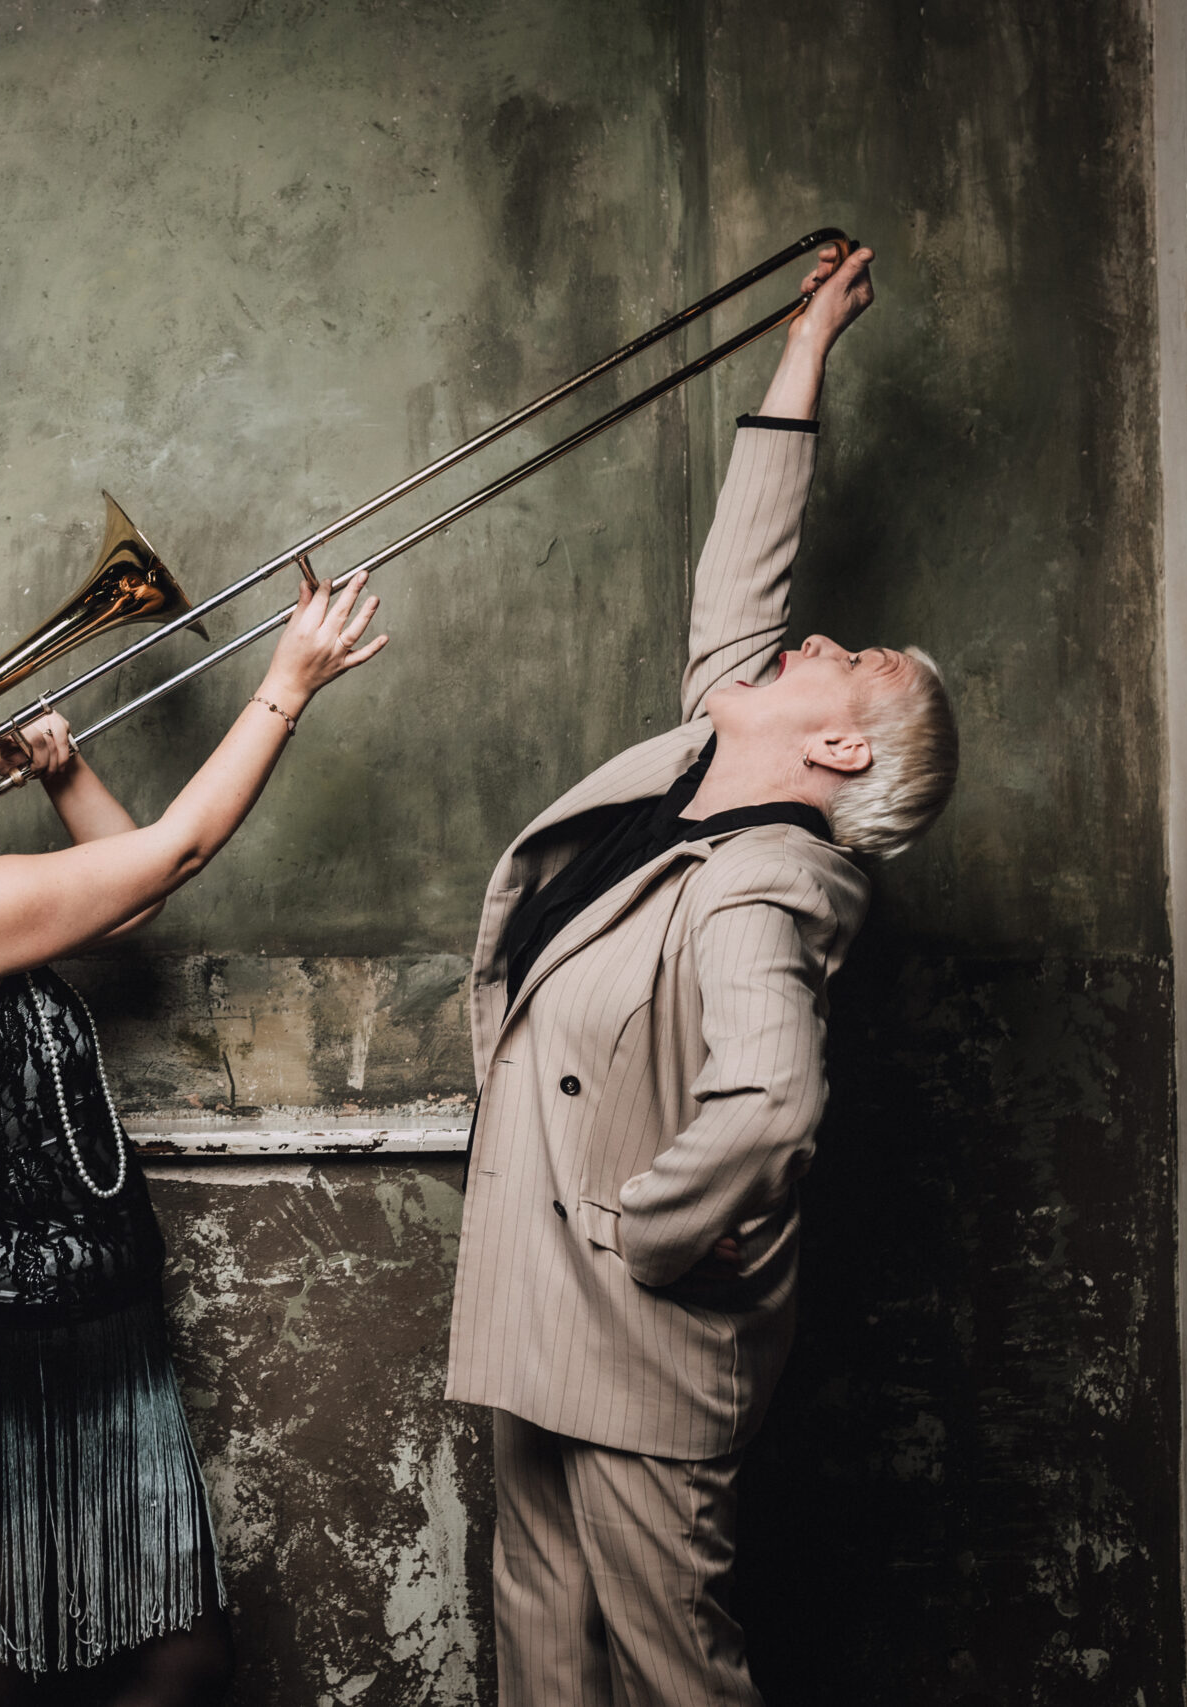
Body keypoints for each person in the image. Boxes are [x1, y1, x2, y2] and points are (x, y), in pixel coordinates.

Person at [444, 243, 958, 1704]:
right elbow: (744, 581)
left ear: (837, 747)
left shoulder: (761, 881)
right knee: (545, 1649)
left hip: (636, 1333)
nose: (808, 639)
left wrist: (648, 1232)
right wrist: (806, 348)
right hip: (546, 1312)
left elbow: (774, 1105)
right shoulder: (699, 772)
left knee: (674, 1675)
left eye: (843, 660)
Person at [0, 574, 390, 1705]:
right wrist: (286, 686)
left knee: (17, 1658)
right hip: (41, 1330)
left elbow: (131, 901)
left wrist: (67, 775)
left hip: (49, 1309)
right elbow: (177, 853)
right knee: (122, 1657)